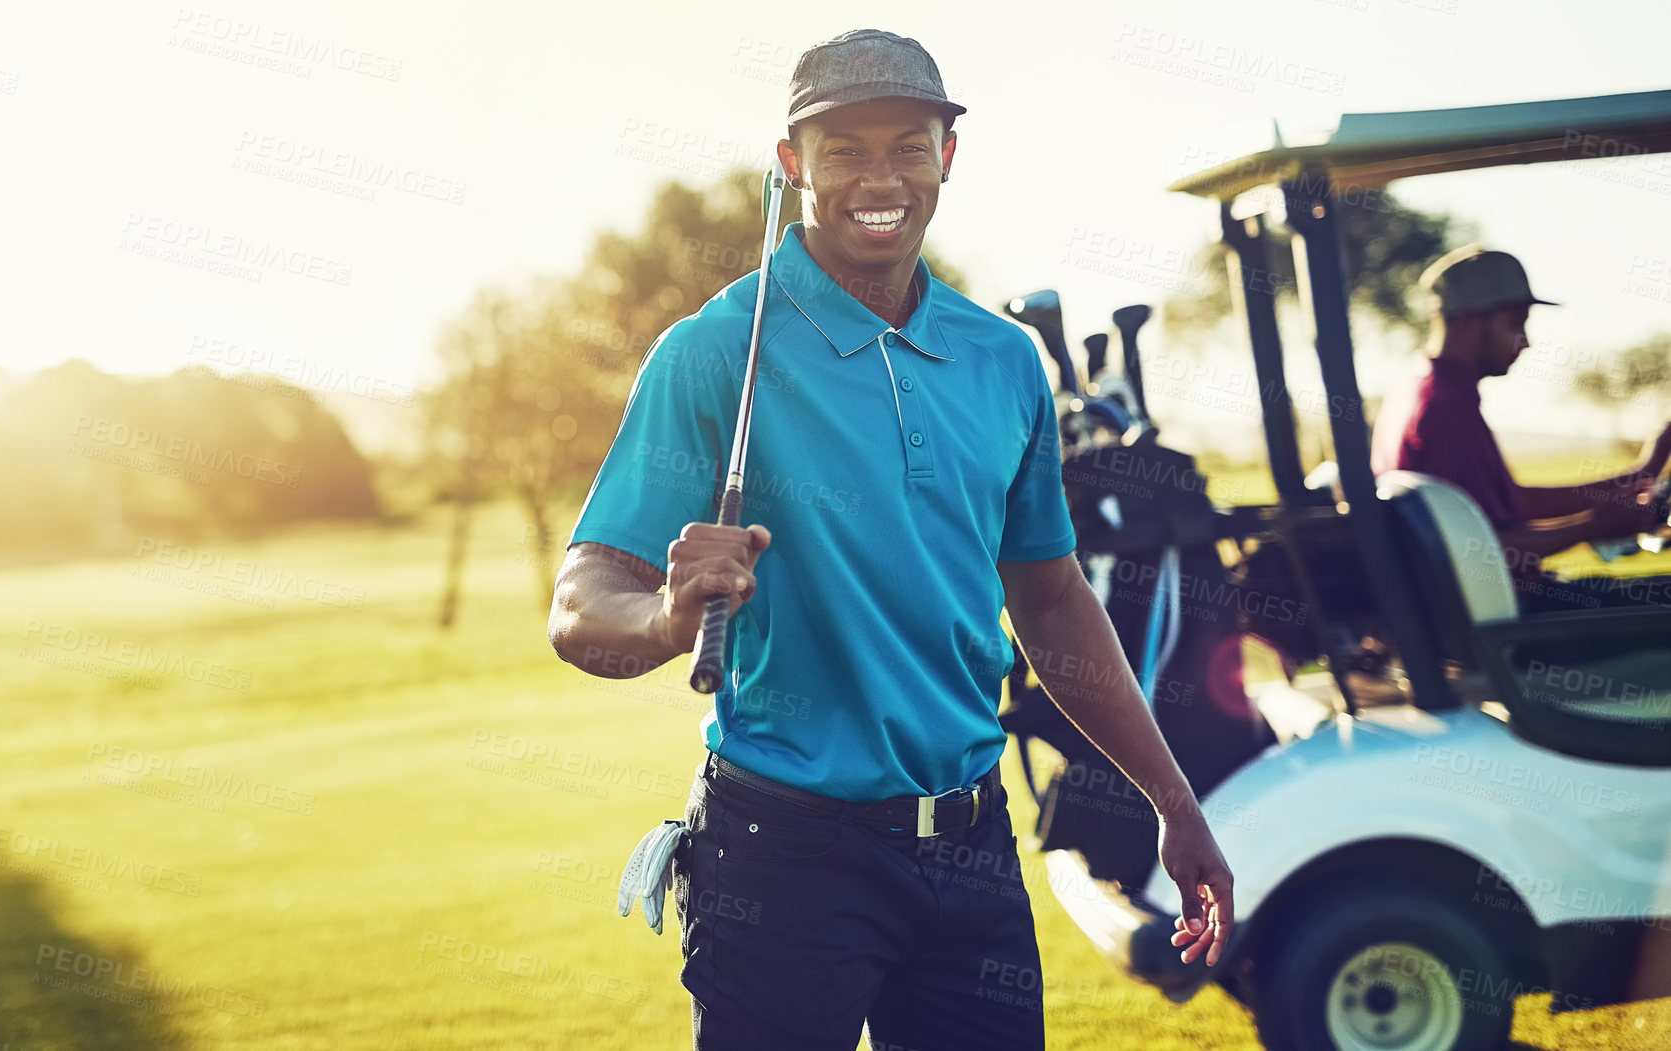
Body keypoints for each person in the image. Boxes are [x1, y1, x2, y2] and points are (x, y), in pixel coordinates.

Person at [547, 29, 1232, 1049]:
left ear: (946, 157)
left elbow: (1047, 600)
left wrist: (1172, 800)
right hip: (781, 859)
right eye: (844, 151)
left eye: (907, 147)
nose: (880, 178)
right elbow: (579, 603)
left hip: (970, 847)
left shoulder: (1001, 361)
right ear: (791, 165)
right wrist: (664, 613)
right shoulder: (711, 354)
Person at [1371, 244, 1671, 613]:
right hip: (1513, 623)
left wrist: (1637, 477)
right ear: (1467, 320)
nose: (1526, 341)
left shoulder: (1421, 391)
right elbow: (1482, 551)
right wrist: (1593, 526)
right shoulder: (1444, 409)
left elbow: (1516, 503)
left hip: (1503, 610)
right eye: (1514, 323)